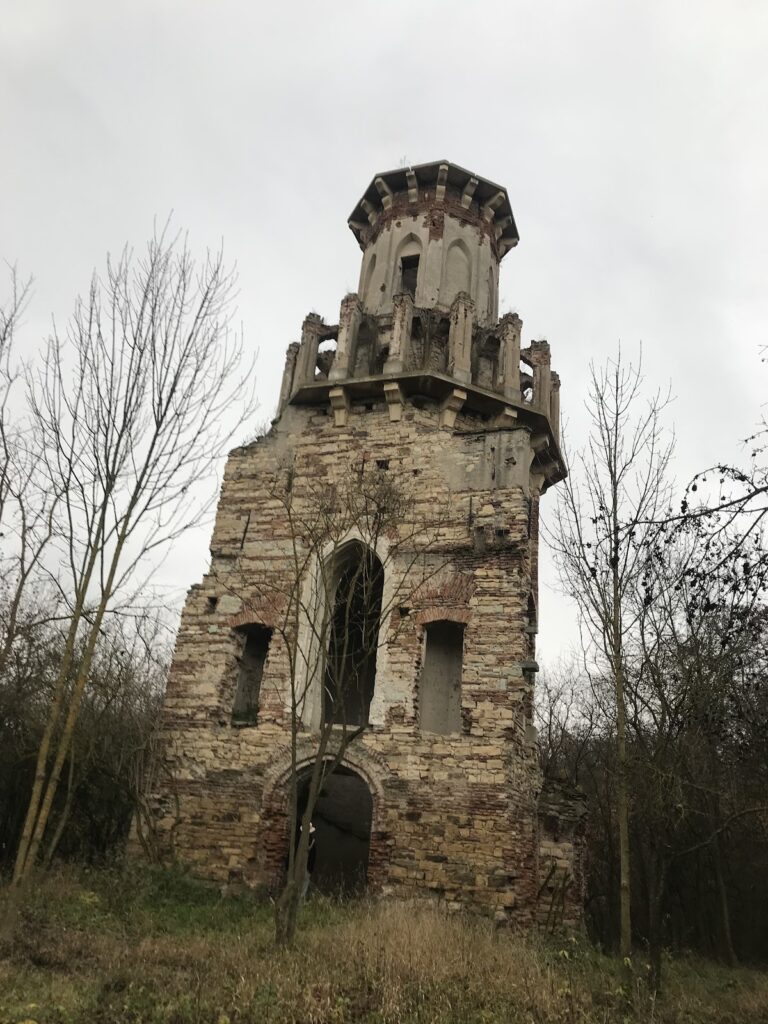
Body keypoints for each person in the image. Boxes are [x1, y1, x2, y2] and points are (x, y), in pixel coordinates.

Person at [299, 820, 317, 900]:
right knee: (303, 888)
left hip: (300, 866)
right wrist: (310, 869)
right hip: (307, 868)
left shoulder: (300, 840)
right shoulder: (312, 842)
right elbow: (313, 857)